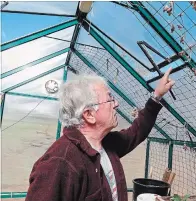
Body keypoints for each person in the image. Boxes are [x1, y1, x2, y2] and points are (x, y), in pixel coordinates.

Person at [25, 68, 175, 201]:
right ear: (89, 114)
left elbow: (136, 132)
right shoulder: (60, 163)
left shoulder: (106, 144)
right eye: (110, 98)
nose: (116, 103)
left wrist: (156, 96)